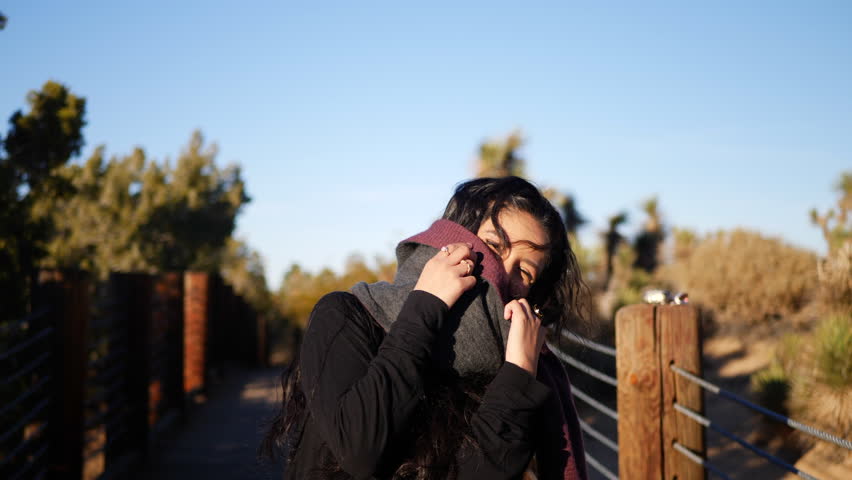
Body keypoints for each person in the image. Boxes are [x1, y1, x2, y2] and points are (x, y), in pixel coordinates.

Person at [262, 176, 590, 480]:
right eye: (493, 247)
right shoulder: (345, 316)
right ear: (450, 240)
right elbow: (360, 449)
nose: (501, 273)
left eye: (524, 272)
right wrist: (425, 304)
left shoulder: (512, 374)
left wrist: (518, 372)